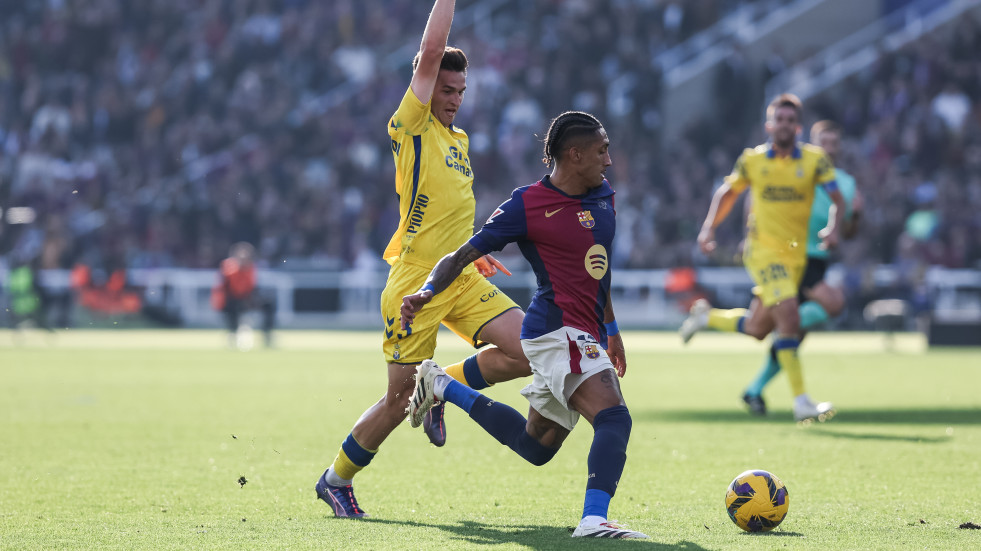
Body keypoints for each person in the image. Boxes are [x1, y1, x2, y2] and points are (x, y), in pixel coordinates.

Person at [315, 0, 530, 519]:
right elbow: (431, 50)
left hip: (457, 276)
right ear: (426, 85)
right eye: (445, 89)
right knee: (395, 401)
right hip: (415, 283)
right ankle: (335, 479)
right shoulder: (413, 126)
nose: (454, 100)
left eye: (460, 92)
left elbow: (449, 215)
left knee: (528, 352)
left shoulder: (459, 141)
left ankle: (439, 386)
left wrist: (471, 258)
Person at [401, 111, 648, 539]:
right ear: (574, 155)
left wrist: (611, 329)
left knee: (535, 447)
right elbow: (461, 254)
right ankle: (593, 520)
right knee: (614, 417)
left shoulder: (603, 194)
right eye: (602, 150)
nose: (609, 160)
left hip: (583, 330)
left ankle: (441, 385)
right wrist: (426, 290)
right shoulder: (527, 204)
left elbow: (596, 270)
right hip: (556, 329)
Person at [679, 94, 847, 423]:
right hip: (762, 252)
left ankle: (706, 317)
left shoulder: (815, 161)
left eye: (789, 121)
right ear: (768, 125)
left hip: (796, 256)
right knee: (790, 320)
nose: (783, 125)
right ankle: (801, 402)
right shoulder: (752, 161)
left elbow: (838, 198)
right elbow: (728, 193)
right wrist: (708, 228)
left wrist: (833, 228)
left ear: (798, 127)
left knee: (758, 328)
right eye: (778, 120)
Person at [740, 120, 863, 415]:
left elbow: (850, 229)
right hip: (790, 255)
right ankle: (798, 399)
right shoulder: (798, 171)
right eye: (824, 142)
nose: (829, 149)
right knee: (833, 303)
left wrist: (852, 220)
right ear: (811, 142)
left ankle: (754, 390)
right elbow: (756, 199)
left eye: (834, 143)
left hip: (816, 259)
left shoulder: (844, 183)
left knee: (777, 331)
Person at [211, 242, 274, 350]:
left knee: (269, 304)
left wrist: (251, 299)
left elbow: (252, 286)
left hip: (246, 298)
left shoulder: (251, 267)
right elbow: (228, 288)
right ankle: (233, 333)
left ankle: (266, 334)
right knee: (232, 307)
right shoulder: (228, 268)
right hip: (231, 299)